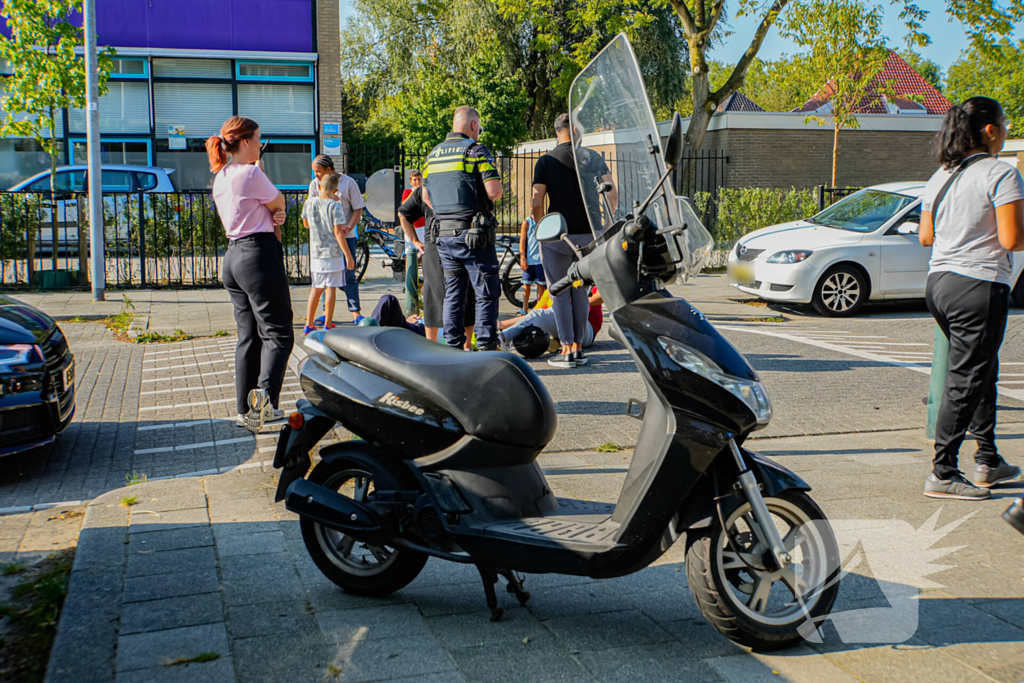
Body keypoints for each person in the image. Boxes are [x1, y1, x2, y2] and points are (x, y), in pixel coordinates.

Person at [919, 97, 1024, 501]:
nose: (1006, 130)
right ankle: (942, 471)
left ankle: (988, 460)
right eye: (1004, 123)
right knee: (966, 380)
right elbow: (1011, 238)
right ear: (989, 131)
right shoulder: (1001, 174)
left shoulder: (941, 176)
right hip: (978, 286)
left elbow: (926, 237)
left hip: (940, 284)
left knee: (982, 372)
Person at [205, 116, 292, 433]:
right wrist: (276, 210)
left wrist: (274, 212)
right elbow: (279, 201)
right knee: (279, 334)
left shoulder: (222, 176)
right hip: (258, 255)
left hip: (233, 256)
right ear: (245, 143)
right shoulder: (251, 173)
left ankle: (245, 408)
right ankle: (264, 407)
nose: (260, 144)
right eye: (257, 139)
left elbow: (269, 208)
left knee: (249, 336)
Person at [532, 112, 616, 368]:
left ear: (557, 132)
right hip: (588, 235)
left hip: (557, 235)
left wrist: (540, 228)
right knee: (581, 291)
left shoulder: (546, 161)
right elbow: (611, 193)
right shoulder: (593, 158)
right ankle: (579, 348)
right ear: (576, 131)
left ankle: (567, 349)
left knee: (558, 291)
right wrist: (606, 225)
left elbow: (537, 201)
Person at [423, 106, 503, 350]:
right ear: (473, 125)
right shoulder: (476, 151)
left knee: (454, 294)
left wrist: (444, 214)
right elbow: (494, 191)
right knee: (486, 291)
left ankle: (453, 347)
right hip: (473, 235)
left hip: (444, 236)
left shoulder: (433, 155)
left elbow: (425, 195)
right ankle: (487, 346)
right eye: (479, 127)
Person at [398, 175, 477, 347]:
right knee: (465, 292)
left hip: (434, 244)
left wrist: (415, 241)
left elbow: (403, 214)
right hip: (460, 242)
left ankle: (431, 346)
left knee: (434, 295)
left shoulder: (426, 189)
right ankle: (467, 345)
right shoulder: (462, 184)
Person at [309, 155, 365, 324]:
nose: (315, 175)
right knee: (327, 278)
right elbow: (312, 210)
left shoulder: (348, 183)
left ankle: (355, 312)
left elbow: (358, 208)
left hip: (345, 236)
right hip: (326, 241)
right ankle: (326, 314)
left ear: (328, 169)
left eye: (317, 171)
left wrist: (349, 226)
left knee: (349, 274)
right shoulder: (314, 185)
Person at [301, 173, 355, 335]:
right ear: (336, 190)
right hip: (333, 253)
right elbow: (338, 233)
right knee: (330, 287)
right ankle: (328, 323)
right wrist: (348, 255)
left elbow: (306, 224)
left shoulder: (309, 203)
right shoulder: (335, 206)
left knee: (316, 288)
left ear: (319, 186)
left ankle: (309, 323)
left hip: (316, 252)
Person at [499, 288, 603, 353]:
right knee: (537, 319)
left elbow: (600, 297)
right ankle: (555, 340)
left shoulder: (587, 276)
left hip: (586, 329)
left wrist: (577, 302)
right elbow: (533, 317)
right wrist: (501, 324)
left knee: (560, 310)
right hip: (566, 326)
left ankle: (502, 339)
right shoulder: (552, 288)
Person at [402, 170, 426, 316]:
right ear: (411, 181)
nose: (417, 182)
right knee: (410, 254)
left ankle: (424, 282)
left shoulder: (424, 192)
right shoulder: (407, 192)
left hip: (423, 227)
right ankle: (409, 281)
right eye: (414, 180)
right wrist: (414, 192)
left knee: (424, 255)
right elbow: (404, 205)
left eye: (419, 179)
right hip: (411, 227)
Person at [518, 215, 545, 314]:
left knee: (541, 284)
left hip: (541, 259)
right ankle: (524, 308)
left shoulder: (543, 220)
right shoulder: (527, 222)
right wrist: (523, 258)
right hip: (530, 259)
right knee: (526, 283)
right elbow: (522, 240)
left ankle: (538, 308)